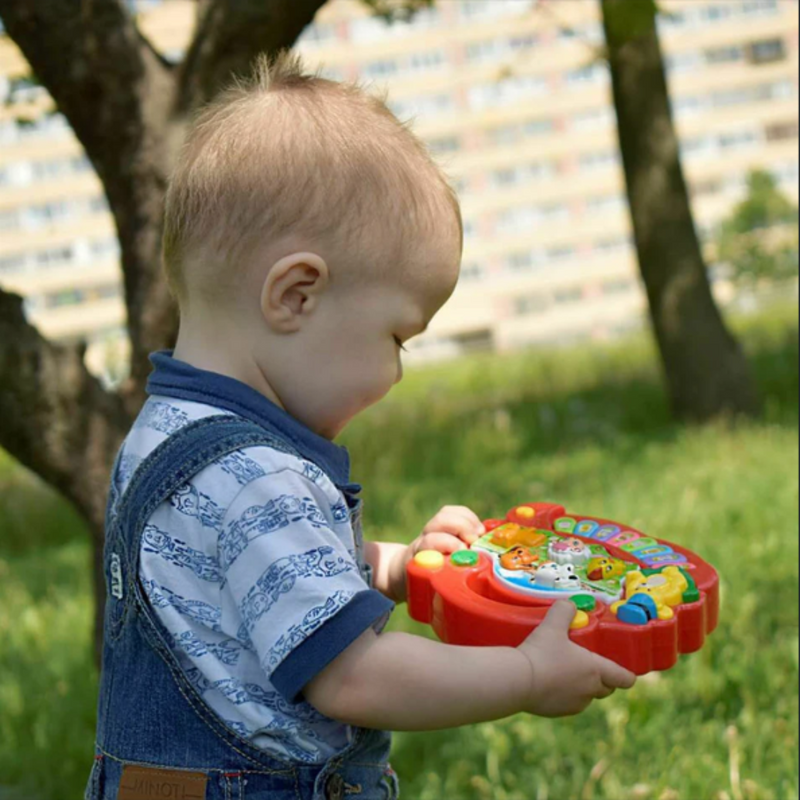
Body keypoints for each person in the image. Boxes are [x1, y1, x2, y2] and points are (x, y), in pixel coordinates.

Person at [85, 52, 636, 800]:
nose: (397, 373)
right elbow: (354, 678)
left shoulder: (165, 431)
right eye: (397, 338)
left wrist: (395, 568)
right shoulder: (259, 476)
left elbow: (242, 585)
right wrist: (527, 674)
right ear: (297, 294)